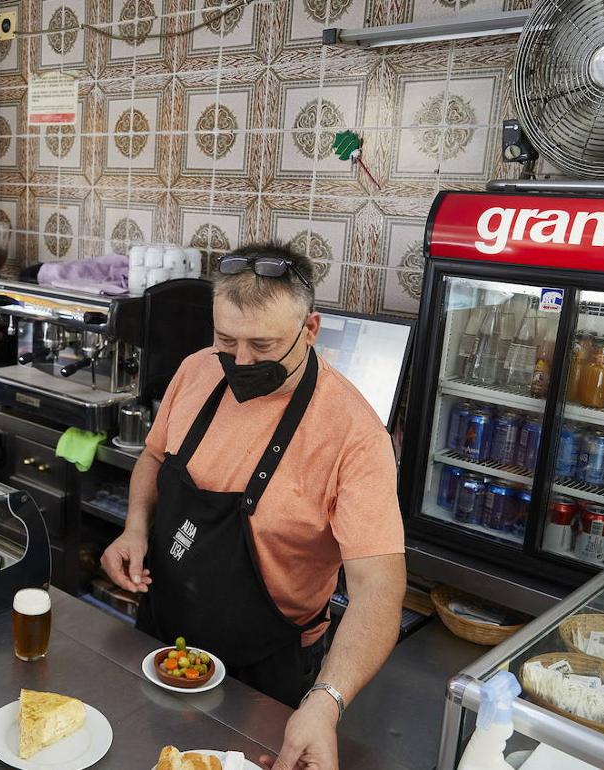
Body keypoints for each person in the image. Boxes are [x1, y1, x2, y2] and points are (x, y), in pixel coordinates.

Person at [101, 242, 406, 770]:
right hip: (163, 633)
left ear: (310, 329)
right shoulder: (196, 371)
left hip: (267, 669)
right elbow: (153, 459)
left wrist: (326, 702)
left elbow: (379, 594)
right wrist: (133, 528)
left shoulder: (355, 435)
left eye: (263, 346)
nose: (239, 362)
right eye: (226, 340)